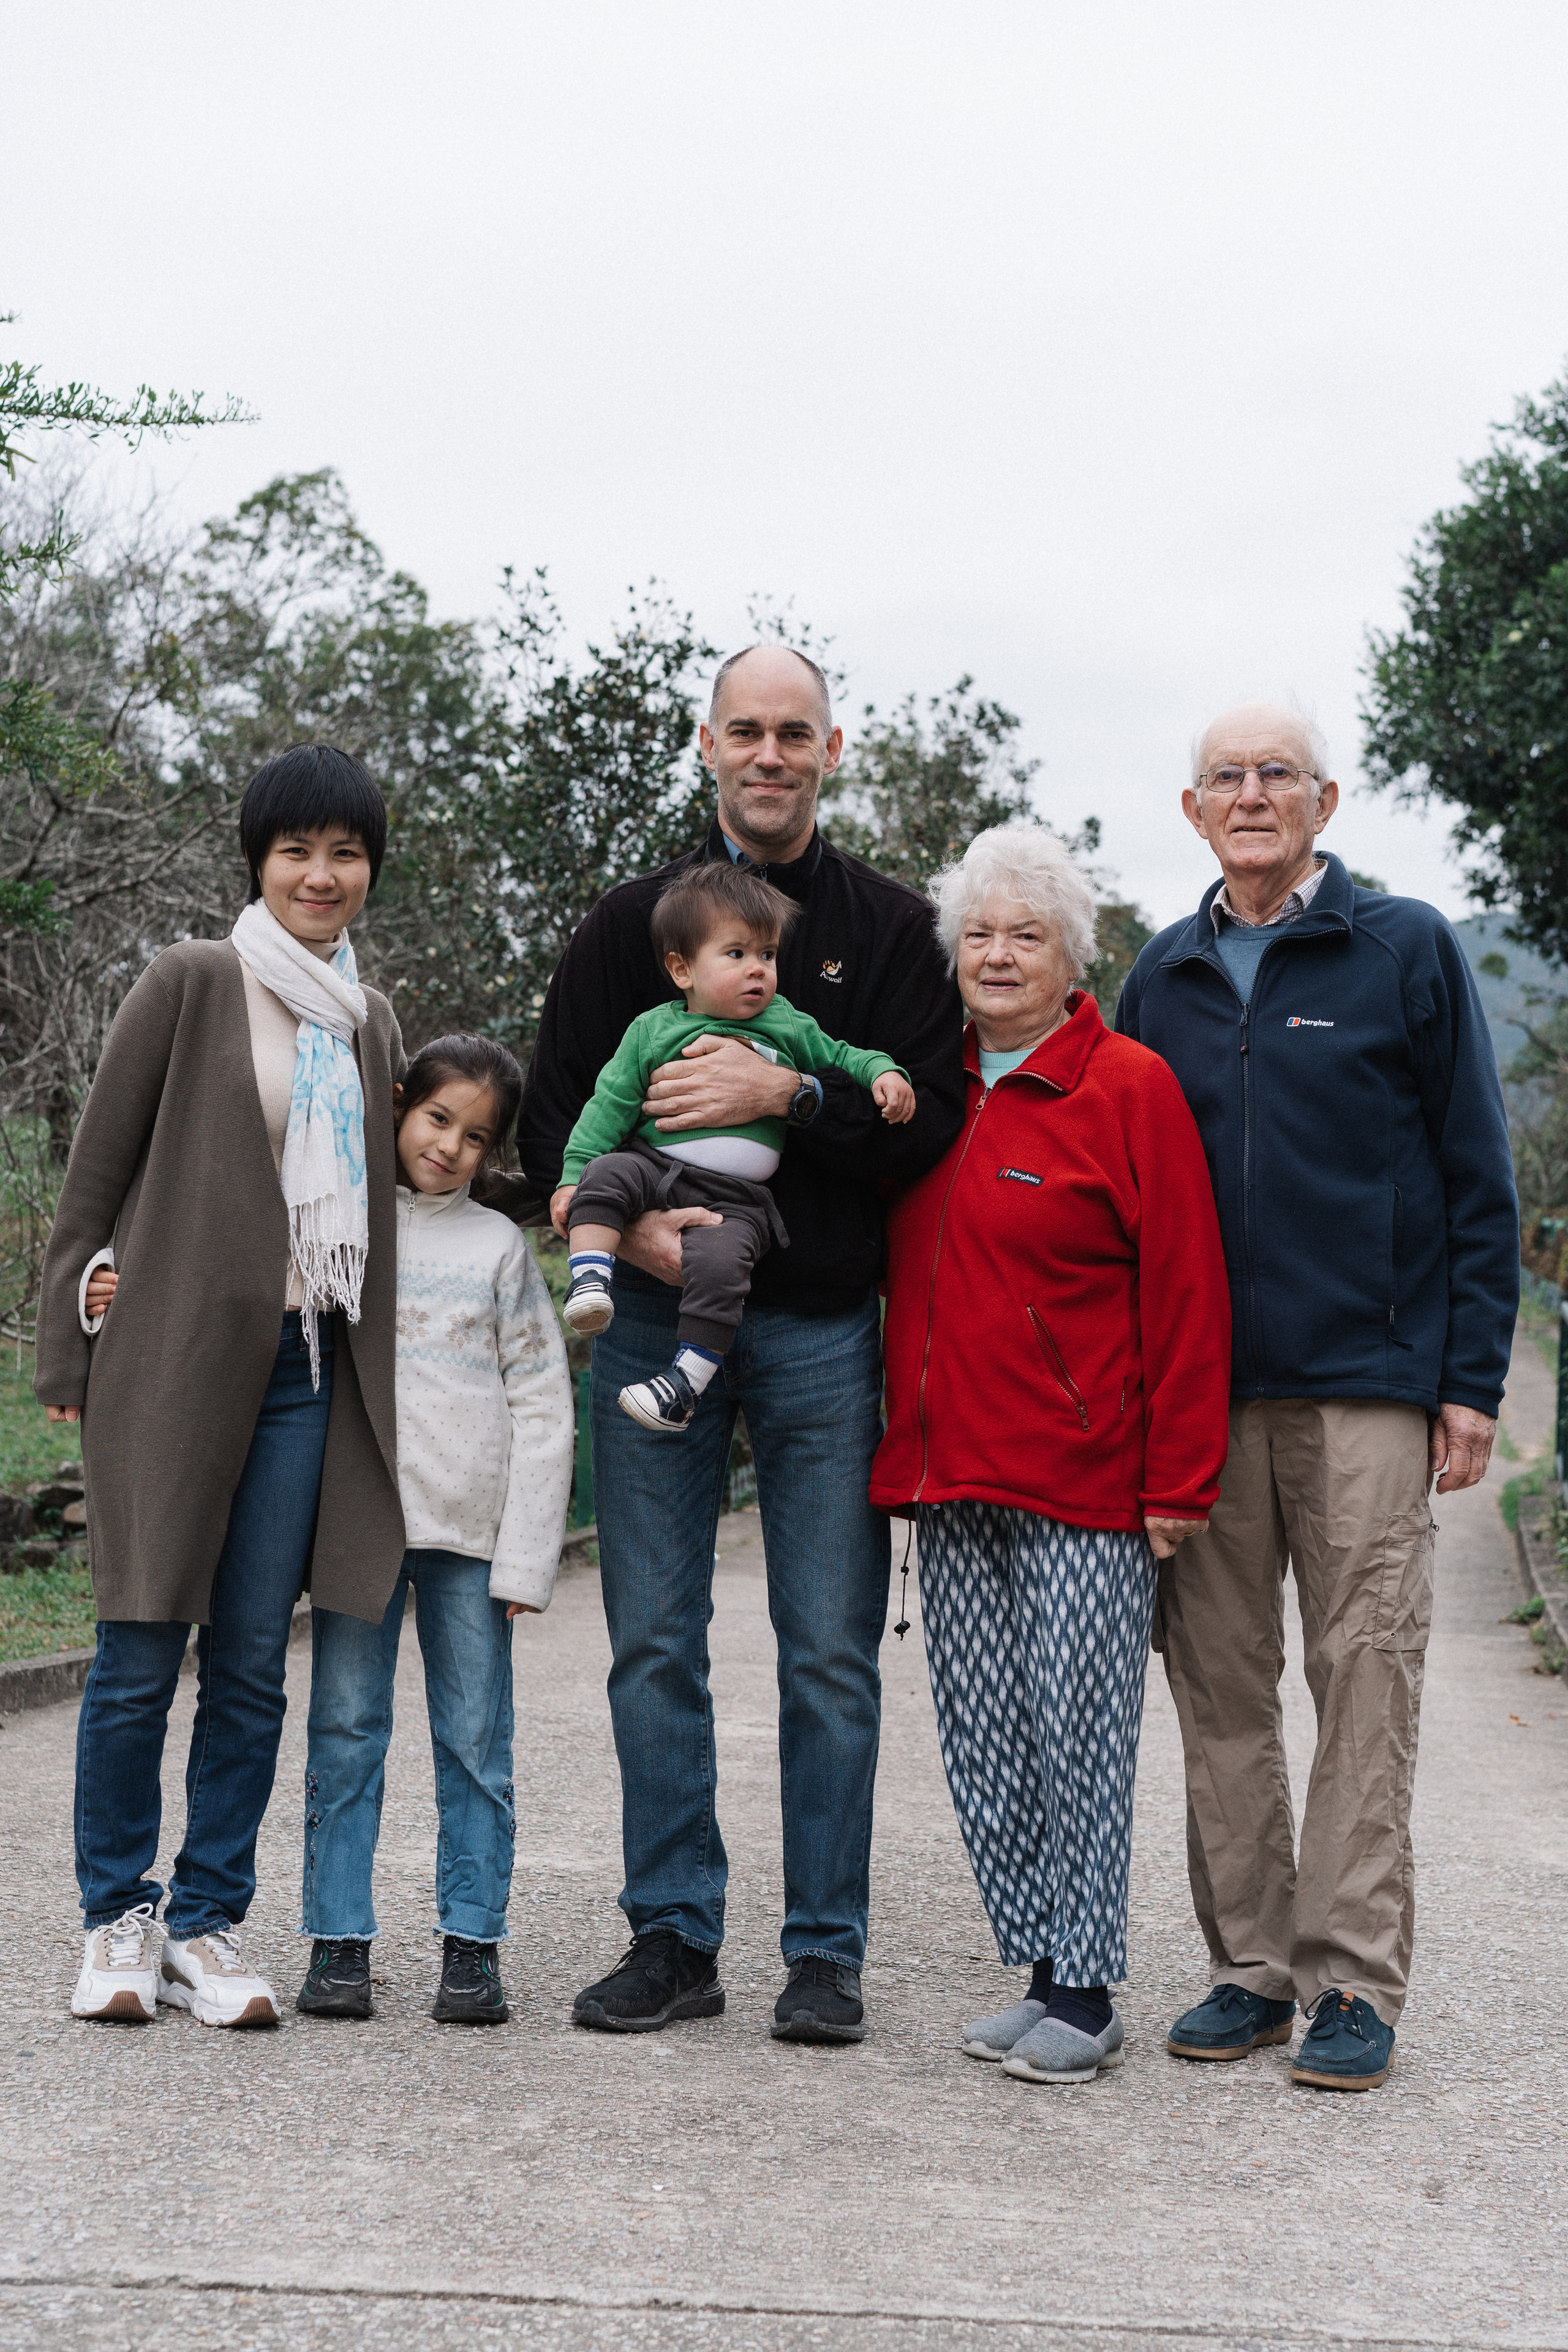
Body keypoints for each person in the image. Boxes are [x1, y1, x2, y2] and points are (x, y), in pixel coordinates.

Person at [518, 643, 966, 2043]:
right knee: (652, 1637)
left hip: (824, 1328)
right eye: (744, 732)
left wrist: (788, 1084)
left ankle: (822, 1952)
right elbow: (551, 1127)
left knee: (827, 1646)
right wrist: (636, 1237)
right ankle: (671, 1936)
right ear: (705, 744)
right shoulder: (631, 930)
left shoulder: (891, 932)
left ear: (834, 748)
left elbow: (931, 1127)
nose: (767, 755)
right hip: (657, 1312)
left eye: (794, 732)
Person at [1116, 703, 1519, 2091]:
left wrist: (1465, 1380)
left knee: (1363, 1676)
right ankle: (1249, 1969)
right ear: (1188, 810)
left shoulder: (1399, 948)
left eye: (1272, 773)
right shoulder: (1155, 977)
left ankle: (1349, 1979)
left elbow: (1476, 1171)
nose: (1247, 793)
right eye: (1221, 776)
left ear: (1322, 800)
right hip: (1200, 1400)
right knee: (1218, 1684)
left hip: (1367, 1384)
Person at [36, 745, 406, 2029]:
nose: (322, 873)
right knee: (140, 1644)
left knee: (253, 1662)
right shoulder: (195, 982)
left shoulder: (369, 1020)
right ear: (257, 859)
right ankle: (116, 1921)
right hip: (173, 1361)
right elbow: (95, 1179)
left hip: (306, 1369)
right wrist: (64, 1340)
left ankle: (206, 1920)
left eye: (346, 852)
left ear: (368, 870)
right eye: (298, 849)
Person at [871, 825, 1232, 2085]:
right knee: (984, 1737)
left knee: (1079, 1735)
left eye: (1025, 934)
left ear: (1071, 957)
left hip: (1083, 1481)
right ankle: (1035, 1969)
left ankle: (1085, 1989)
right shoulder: (923, 1088)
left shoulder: (1126, 1088)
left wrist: (1178, 1478)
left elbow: (1186, 1295)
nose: (997, 954)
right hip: (947, 1472)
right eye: (977, 933)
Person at [296, 1035, 574, 2027]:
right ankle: (338, 1943)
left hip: (471, 1538)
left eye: (477, 1137)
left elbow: (543, 1400)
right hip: (358, 1529)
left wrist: (528, 1554)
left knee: (474, 1742)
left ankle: (473, 1945)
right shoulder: (340, 1231)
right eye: (437, 1119)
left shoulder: (498, 1249)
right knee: (344, 1732)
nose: (451, 1147)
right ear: (400, 1104)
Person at [552, 860, 915, 1431]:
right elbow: (608, 1105)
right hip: (656, 1172)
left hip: (738, 1200)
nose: (758, 971)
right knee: (606, 1176)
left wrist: (883, 1074)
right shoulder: (653, 1030)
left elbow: (842, 1054)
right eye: (736, 954)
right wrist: (573, 1175)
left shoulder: (786, 1023)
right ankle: (591, 1276)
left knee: (725, 1271)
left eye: (767, 955)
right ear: (681, 969)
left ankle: (682, 1383)